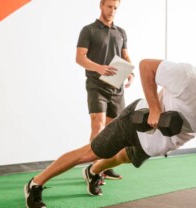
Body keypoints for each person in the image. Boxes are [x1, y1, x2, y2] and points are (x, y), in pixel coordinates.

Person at [24, 59, 196, 208]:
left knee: (123, 158)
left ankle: (93, 172)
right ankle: (35, 184)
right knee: (91, 151)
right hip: (138, 120)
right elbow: (147, 66)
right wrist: (154, 107)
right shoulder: (192, 78)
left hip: (157, 143)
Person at [75, 0, 134, 180]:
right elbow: (79, 58)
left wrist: (130, 71)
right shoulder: (88, 30)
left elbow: (125, 56)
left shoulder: (121, 32)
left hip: (116, 87)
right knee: (98, 125)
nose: (112, 11)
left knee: (113, 130)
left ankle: (105, 166)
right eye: (109, 7)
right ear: (101, 5)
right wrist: (99, 68)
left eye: (115, 8)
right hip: (96, 85)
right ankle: (94, 169)